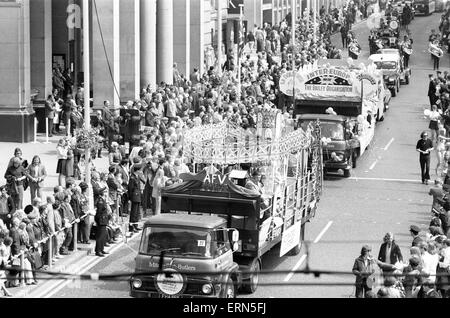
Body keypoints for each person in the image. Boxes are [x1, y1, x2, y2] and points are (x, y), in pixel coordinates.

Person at [94, 189, 110, 257]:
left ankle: (101, 248)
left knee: (103, 235)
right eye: (104, 192)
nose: (105, 193)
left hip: (104, 220)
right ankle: (98, 250)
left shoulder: (102, 200)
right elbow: (99, 212)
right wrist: (99, 221)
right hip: (101, 220)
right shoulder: (100, 201)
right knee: (100, 236)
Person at [128, 164, 142, 233]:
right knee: (133, 212)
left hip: (138, 196)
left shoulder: (137, 177)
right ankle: (131, 227)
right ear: (137, 170)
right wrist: (130, 198)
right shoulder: (132, 178)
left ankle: (135, 226)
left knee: (136, 212)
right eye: (140, 170)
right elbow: (130, 188)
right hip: (134, 196)